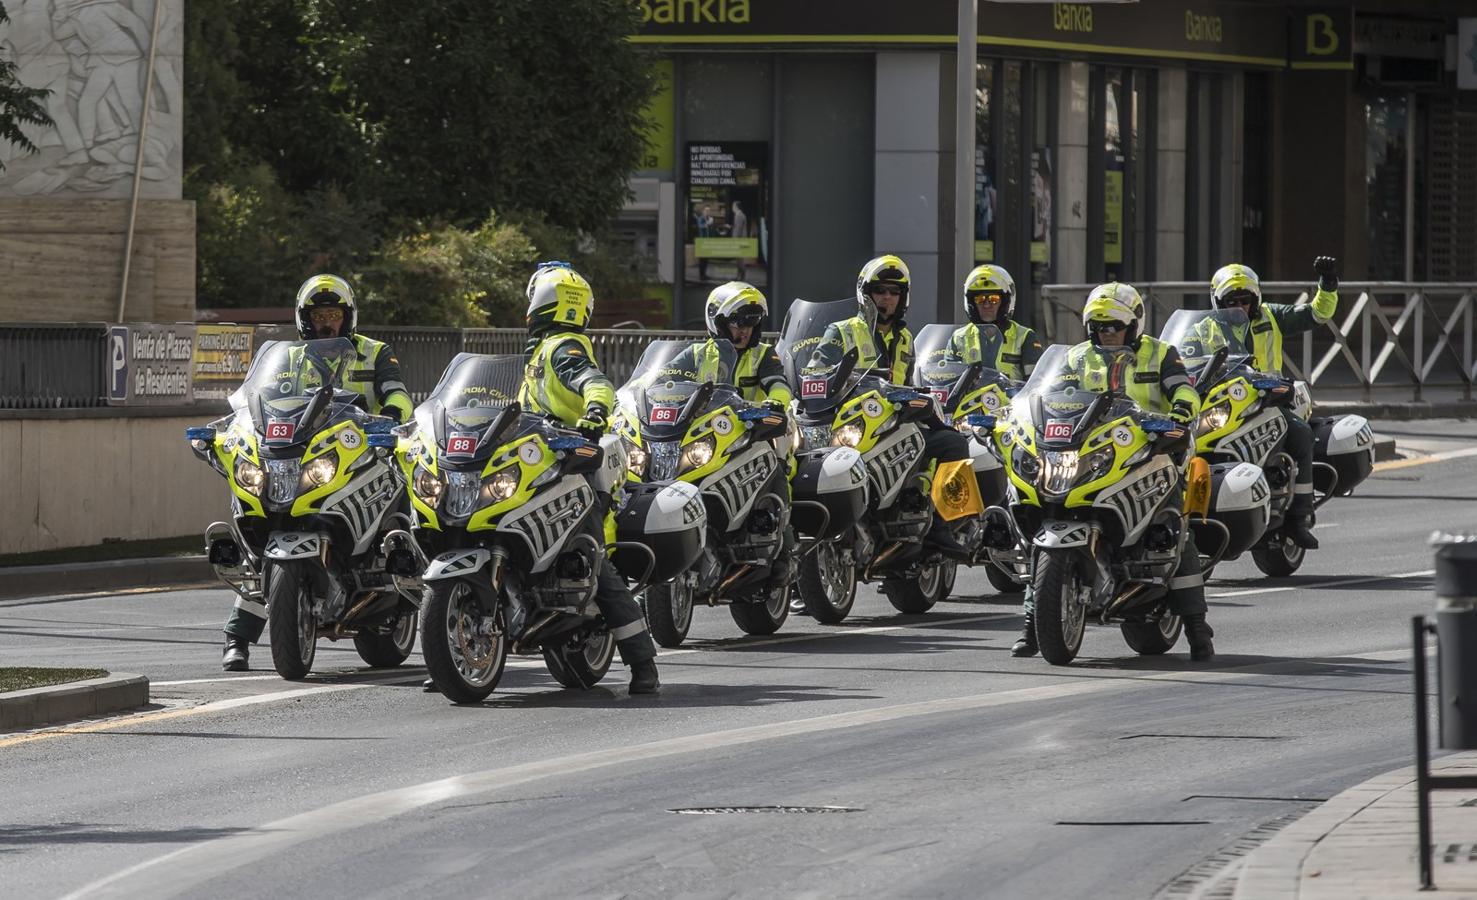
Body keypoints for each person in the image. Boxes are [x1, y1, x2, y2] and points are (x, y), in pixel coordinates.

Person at [1010, 282, 1216, 662]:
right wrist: (1020, 415)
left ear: (1133, 324)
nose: (1107, 333)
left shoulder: (1161, 353)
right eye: (1100, 326)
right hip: (1089, 451)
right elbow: (1047, 393)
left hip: (1147, 451)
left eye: (1114, 326)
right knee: (1040, 519)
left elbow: (1183, 389)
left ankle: (1196, 627)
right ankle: (1031, 625)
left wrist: (1182, 411)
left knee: (1171, 526)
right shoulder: (1075, 357)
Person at [221, 275, 414, 672]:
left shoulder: (374, 352)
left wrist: (392, 419)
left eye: (334, 315)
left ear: (348, 317)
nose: (328, 323)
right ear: (305, 319)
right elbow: (254, 397)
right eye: (320, 315)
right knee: (264, 531)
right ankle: (237, 636)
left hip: (360, 454)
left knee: (401, 510)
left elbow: (397, 393)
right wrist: (232, 424)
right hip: (297, 455)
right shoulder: (289, 358)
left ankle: (411, 584)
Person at [519, 261, 661, 694]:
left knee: (591, 557)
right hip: (547, 465)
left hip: (577, 466)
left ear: (542, 300)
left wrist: (596, 412)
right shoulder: (541, 351)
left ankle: (643, 665)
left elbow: (594, 383)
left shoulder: (564, 346)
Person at [821, 255, 972, 562]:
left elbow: (910, 383)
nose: (886, 298)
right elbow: (817, 372)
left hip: (897, 425)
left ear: (903, 298)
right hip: (854, 426)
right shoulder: (842, 331)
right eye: (880, 291)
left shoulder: (905, 338)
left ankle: (941, 527)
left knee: (955, 443)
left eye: (893, 292)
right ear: (867, 294)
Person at [1203, 258, 1339, 549]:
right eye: (1231, 301)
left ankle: (1299, 516)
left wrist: (1327, 284)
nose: (1239, 306)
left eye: (1245, 299)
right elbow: (1182, 358)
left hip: (1270, 400)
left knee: (1301, 433)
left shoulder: (1271, 316)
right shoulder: (1205, 329)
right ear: (1217, 301)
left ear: (1256, 299)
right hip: (1225, 403)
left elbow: (1317, 314)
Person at [946, 264, 1045, 381]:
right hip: (968, 398)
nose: (987, 305)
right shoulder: (959, 337)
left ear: (1004, 302)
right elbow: (948, 379)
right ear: (972, 304)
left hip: (1010, 399)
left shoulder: (1024, 337)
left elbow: (1036, 383)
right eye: (980, 299)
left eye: (994, 299)